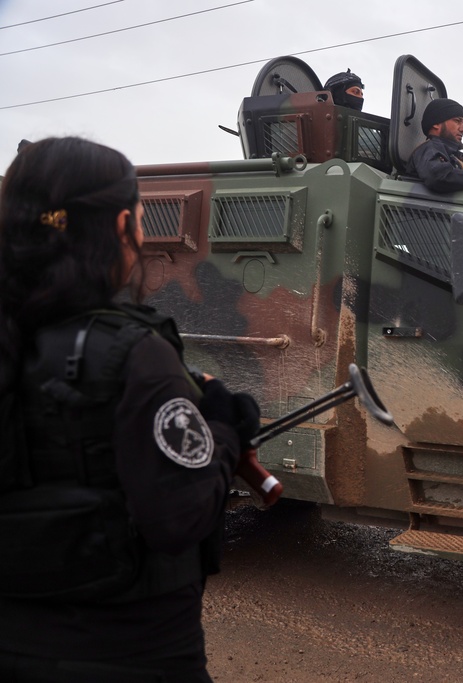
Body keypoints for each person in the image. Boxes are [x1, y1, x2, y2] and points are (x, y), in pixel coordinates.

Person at [0, 137, 259, 682]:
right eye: (140, 220)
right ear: (122, 227)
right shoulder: (137, 356)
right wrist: (225, 429)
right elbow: (181, 517)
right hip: (134, 653)